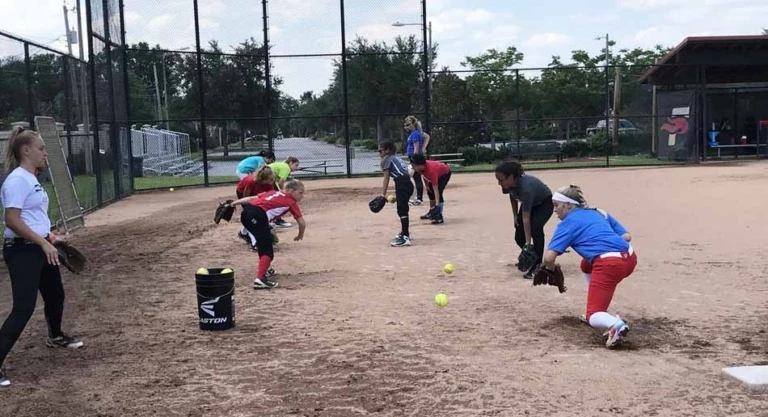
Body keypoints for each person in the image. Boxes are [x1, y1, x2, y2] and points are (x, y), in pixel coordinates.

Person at [0, 127, 83, 388]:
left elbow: (32, 217)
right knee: (23, 308)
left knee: (55, 294)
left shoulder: (31, 178)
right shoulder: (17, 180)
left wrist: (51, 238)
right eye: (41, 148)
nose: (45, 153)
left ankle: (55, 335)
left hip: (39, 246)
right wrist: (41, 243)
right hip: (22, 250)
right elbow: (11, 219)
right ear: (26, 151)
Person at [542, 185, 637, 349]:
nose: (554, 210)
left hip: (609, 264)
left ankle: (615, 324)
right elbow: (626, 237)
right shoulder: (598, 212)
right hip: (630, 257)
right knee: (586, 265)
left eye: (556, 205)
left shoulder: (567, 224)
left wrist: (550, 269)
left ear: (569, 205)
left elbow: (549, 258)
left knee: (593, 316)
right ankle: (597, 307)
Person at [228, 179, 307, 289]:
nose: (302, 196)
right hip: (258, 216)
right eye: (300, 192)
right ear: (290, 191)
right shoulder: (291, 202)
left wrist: (233, 204)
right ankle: (260, 279)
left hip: (246, 214)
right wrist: (300, 235)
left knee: (264, 241)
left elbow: (251, 199)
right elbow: (302, 223)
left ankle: (265, 268)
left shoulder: (273, 192)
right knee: (267, 250)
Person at [494, 160, 554, 279]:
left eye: (501, 180)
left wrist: (528, 243)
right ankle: (532, 257)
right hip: (531, 204)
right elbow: (512, 196)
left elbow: (526, 218)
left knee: (535, 228)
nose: (499, 183)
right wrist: (515, 215)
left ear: (511, 177)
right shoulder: (509, 184)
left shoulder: (526, 188)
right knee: (518, 236)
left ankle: (538, 266)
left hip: (544, 203)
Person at [378, 140, 413, 247]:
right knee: (402, 207)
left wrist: (383, 195)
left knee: (402, 210)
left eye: (381, 151)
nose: (379, 153)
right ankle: (404, 232)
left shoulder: (386, 159)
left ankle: (406, 237)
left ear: (388, 150)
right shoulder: (397, 158)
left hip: (402, 183)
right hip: (407, 183)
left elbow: (386, 178)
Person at [235, 165, 277, 248]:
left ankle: (243, 233)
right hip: (243, 193)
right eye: (271, 179)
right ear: (263, 179)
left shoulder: (269, 184)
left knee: (256, 216)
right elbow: (246, 196)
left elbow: (269, 197)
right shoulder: (252, 181)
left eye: (273, 179)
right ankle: (255, 242)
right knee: (251, 216)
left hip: (256, 194)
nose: (273, 181)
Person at [409, 154, 451, 225]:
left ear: (420, 165)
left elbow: (436, 189)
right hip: (436, 173)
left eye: (414, 166)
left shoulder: (431, 171)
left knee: (439, 192)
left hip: (444, 173)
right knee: (430, 192)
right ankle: (432, 212)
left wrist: (437, 205)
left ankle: (439, 215)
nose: (413, 168)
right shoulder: (421, 168)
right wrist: (427, 187)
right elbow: (424, 176)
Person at [268, 157, 300, 228]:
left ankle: (273, 220)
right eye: (296, 165)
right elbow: (280, 182)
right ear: (290, 163)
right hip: (266, 180)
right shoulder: (286, 168)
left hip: (265, 179)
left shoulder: (283, 165)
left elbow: (277, 180)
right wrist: (283, 192)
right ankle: (277, 221)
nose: (296, 168)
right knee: (278, 200)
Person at [403, 115, 425, 206]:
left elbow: (416, 149)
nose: (406, 126)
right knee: (416, 177)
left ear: (413, 124)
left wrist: (414, 160)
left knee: (417, 177)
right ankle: (418, 197)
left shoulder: (415, 134)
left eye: (408, 124)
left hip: (414, 158)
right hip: (411, 157)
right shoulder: (413, 134)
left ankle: (419, 198)